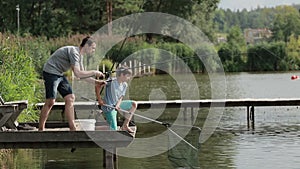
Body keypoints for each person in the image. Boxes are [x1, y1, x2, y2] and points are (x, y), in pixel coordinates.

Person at [39, 36, 105, 131]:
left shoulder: (79, 56)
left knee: (70, 98)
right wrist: (94, 72)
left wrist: (96, 82)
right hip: (50, 72)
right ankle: (41, 129)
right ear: (86, 45)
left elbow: (81, 76)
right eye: (93, 48)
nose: (94, 50)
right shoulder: (74, 52)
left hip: (59, 74)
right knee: (50, 101)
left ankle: (72, 127)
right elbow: (78, 73)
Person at [95, 66, 137, 133]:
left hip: (116, 105)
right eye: (127, 76)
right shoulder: (111, 81)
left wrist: (118, 105)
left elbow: (121, 97)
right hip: (109, 108)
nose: (129, 78)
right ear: (122, 75)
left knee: (134, 104)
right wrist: (99, 100)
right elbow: (97, 86)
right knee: (114, 130)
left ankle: (125, 125)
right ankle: (96, 129)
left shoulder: (125, 85)